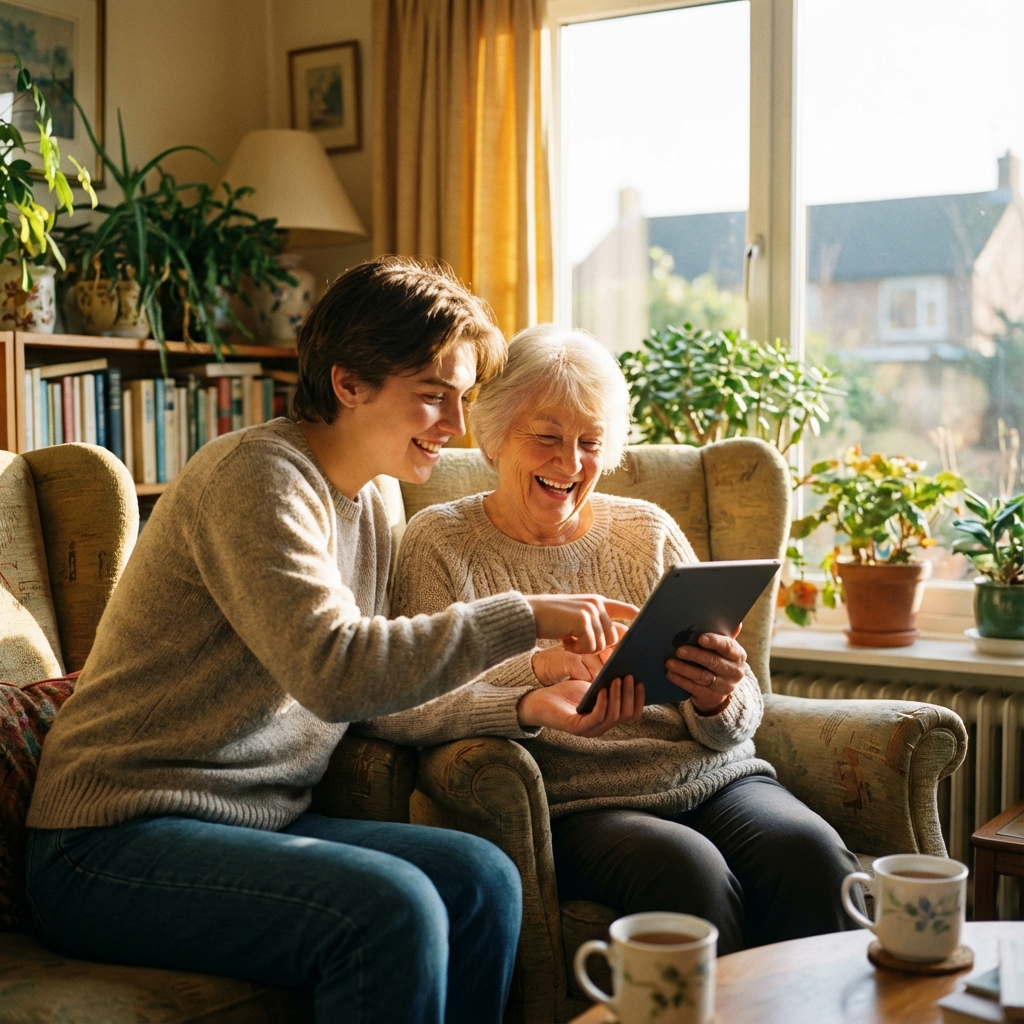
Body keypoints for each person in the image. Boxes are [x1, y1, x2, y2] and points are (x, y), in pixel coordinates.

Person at [25, 261, 636, 1024]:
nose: (455, 425)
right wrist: (528, 615)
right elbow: (335, 671)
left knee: (481, 876)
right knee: (393, 907)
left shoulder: (374, 497)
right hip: (109, 839)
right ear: (349, 383)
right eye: (433, 395)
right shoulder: (255, 478)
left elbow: (382, 692)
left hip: (254, 819)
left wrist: (531, 692)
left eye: (462, 397)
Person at [360, 324, 864, 955]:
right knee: (687, 871)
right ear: (494, 436)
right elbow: (401, 702)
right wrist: (538, 675)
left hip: (717, 777)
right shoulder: (440, 542)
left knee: (810, 852)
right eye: (547, 437)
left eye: (590, 442)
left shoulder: (647, 532)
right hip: (581, 804)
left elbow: (741, 713)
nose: (570, 463)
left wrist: (718, 697)